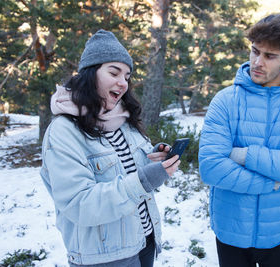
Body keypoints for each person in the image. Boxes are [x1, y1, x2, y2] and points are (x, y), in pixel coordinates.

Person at [40, 29, 180, 267]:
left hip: (144, 242)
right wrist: (144, 180)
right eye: (114, 72)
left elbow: (129, 174)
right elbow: (79, 203)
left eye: (127, 76)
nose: (122, 82)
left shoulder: (124, 119)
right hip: (104, 258)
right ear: (89, 74)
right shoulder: (63, 131)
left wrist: (154, 161)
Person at [198, 14, 280, 267]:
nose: (257, 62)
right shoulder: (225, 100)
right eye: (255, 51)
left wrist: (245, 156)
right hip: (231, 232)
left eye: (269, 56)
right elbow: (211, 168)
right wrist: (276, 182)